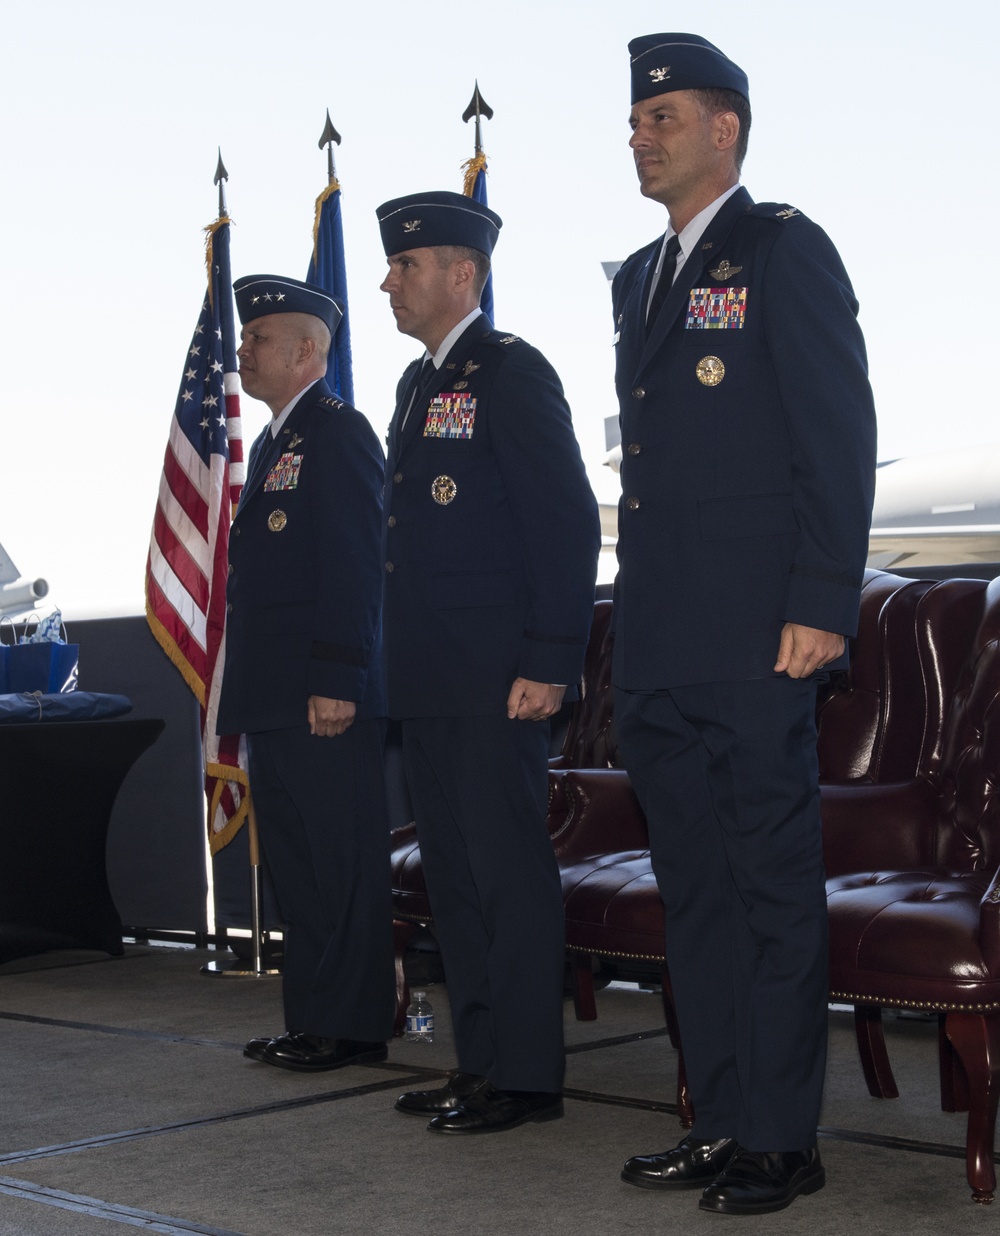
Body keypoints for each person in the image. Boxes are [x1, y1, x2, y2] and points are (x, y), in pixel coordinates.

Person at [611, 34, 877, 1215]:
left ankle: (782, 1137)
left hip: (762, 639)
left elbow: (835, 433)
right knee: (697, 896)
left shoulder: (782, 250)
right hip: (662, 642)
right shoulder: (635, 277)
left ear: (726, 129)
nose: (640, 132)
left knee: (770, 889)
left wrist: (821, 602)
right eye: (636, 118)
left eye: (663, 114)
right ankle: (718, 1122)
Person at [376, 191, 601, 1134]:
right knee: (455, 879)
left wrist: (551, 658)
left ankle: (527, 1077)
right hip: (427, 677)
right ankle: (482, 1061)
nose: (389, 281)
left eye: (407, 265)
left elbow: (565, 520)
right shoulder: (416, 387)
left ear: (462, 274)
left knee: (505, 873)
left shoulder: (511, 372)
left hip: (497, 677)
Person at [217, 274, 395, 1072]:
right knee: (295, 861)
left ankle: (352, 1025)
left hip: (322, 693)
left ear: (304, 351)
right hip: (276, 692)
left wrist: (339, 676)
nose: (243, 350)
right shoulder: (276, 445)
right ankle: (313, 1017)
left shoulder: (338, 433)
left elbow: (356, 565)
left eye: (257, 339)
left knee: (338, 861)